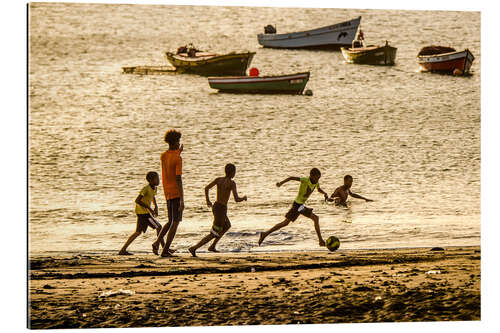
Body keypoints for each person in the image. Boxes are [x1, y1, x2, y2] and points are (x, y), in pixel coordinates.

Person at [258, 168, 328, 247]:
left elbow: (318, 189)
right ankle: (321, 241)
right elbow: (291, 178)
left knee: (285, 223)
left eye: (319, 178)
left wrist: (324, 193)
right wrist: (281, 183)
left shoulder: (316, 182)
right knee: (315, 218)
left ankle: (265, 234)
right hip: (297, 205)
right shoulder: (305, 180)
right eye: (316, 178)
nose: (317, 180)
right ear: (311, 176)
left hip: (300, 206)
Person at [188, 163, 247, 257]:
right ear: (232, 173)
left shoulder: (219, 180)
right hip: (221, 209)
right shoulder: (232, 183)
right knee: (214, 233)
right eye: (234, 172)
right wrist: (243, 198)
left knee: (227, 225)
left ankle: (212, 246)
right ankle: (194, 248)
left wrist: (208, 200)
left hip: (216, 206)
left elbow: (206, 188)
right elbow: (236, 199)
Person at [152, 130, 184, 257]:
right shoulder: (178, 158)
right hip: (176, 192)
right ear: (175, 142)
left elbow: (171, 158)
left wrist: (178, 152)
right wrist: (182, 199)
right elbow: (178, 179)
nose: (179, 144)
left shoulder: (163, 155)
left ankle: (157, 243)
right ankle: (165, 250)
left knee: (170, 220)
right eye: (178, 142)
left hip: (167, 192)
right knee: (175, 222)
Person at [118, 171, 164, 255]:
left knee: (138, 232)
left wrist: (156, 206)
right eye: (156, 179)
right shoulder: (146, 188)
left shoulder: (154, 188)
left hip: (143, 213)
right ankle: (164, 248)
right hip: (143, 213)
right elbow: (137, 200)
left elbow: (153, 197)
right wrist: (149, 208)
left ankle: (122, 250)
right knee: (159, 227)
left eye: (158, 178)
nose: (158, 180)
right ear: (150, 180)